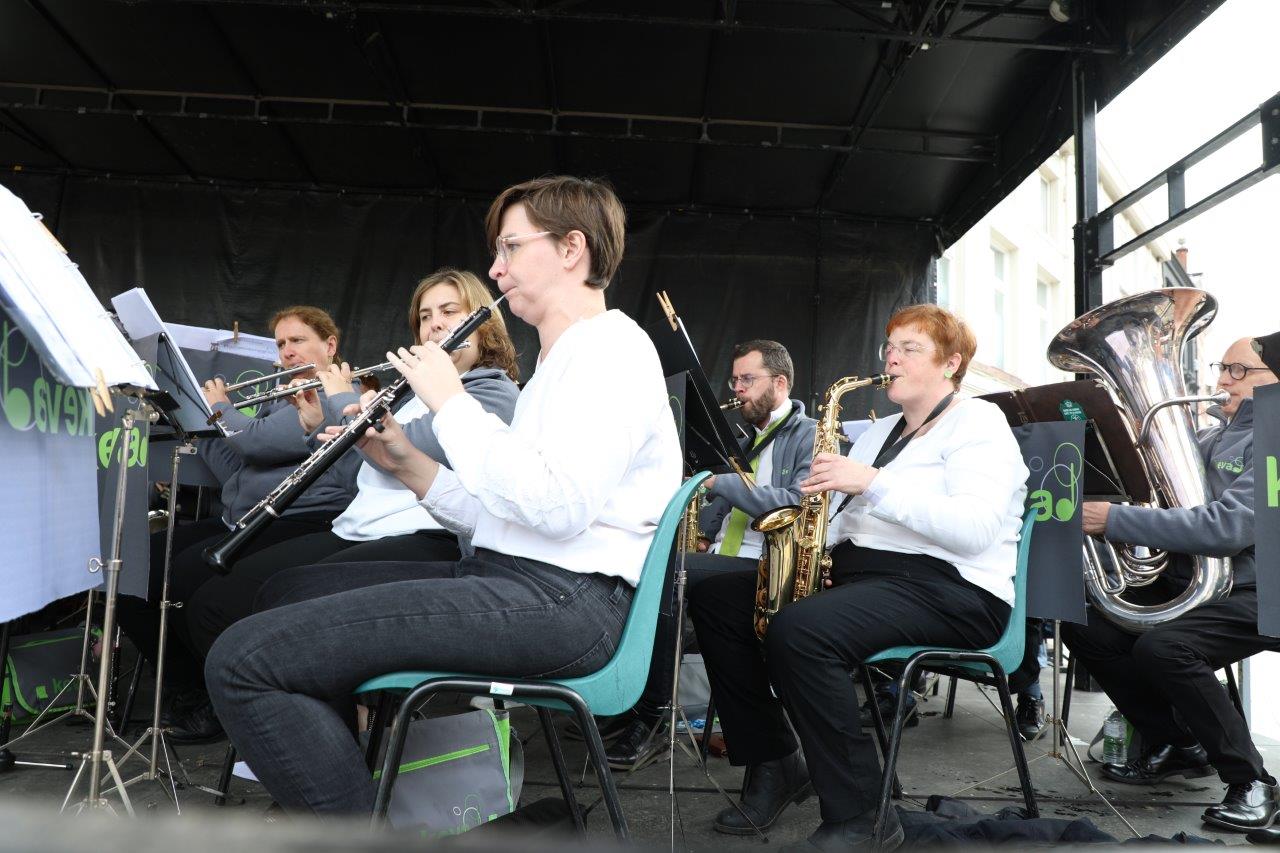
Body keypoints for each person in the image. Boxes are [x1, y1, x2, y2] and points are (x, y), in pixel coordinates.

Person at [204, 175, 683, 817]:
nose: (497, 268)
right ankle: (333, 791)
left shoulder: (611, 350)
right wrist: (403, 461)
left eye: (511, 247)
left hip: (567, 602)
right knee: (285, 590)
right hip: (527, 579)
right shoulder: (562, 360)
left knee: (241, 662)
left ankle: (347, 824)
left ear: (572, 249)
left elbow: (556, 507)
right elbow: (506, 515)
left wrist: (450, 401)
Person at [690, 304, 1028, 850]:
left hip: (952, 588)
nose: (891, 358)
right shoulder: (879, 434)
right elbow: (845, 522)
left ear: (951, 364)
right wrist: (810, 551)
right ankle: (776, 761)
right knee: (717, 598)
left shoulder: (978, 423)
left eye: (910, 349)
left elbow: (974, 529)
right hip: (866, 577)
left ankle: (862, 815)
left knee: (801, 631)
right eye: (889, 347)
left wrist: (871, 483)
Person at [164, 270, 521, 742]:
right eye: (425, 316)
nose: (435, 324)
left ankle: (329, 734)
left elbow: (414, 446)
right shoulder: (410, 394)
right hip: (357, 529)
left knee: (273, 598)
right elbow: (359, 469)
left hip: (428, 537)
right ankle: (305, 729)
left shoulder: (490, 389)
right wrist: (327, 426)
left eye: (450, 312)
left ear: (483, 325)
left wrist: (344, 400)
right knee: (218, 600)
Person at [1062, 335, 1280, 833]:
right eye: (1222, 367)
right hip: (1205, 584)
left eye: (1239, 370)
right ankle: (1178, 741)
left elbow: (1228, 528)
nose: (1222, 380)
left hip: (1263, 590)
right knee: (1086, 623)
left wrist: (1115, 520)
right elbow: (1158, 505)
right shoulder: (1209, 437)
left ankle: (1251, 782)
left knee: (1166, 648)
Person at [116, 306, 359, 730]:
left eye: (298, 340)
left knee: (187, 583)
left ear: (330, 345)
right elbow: (235, 468)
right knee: (134, 568)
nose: (287, 351)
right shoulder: (281, 395)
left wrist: (220, 410)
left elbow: (254, 444)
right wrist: (201, 420)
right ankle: (187, 685)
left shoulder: (332, 395)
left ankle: (212, 698)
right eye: (281, 344)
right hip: (243, 516)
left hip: (298, 519)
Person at [604, 339, 818, 768]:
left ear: (780, 383)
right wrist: (701, 531)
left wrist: (718, 481)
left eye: (747, 380)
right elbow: (720, 509)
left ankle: (651, 714)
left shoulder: (809, 435)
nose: (737, 389)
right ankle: (628, 699)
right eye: (735, 380)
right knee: (639, 566)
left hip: (767, 565)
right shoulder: (742, 439)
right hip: (721, 557)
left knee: (664, 577)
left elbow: (797, 503)